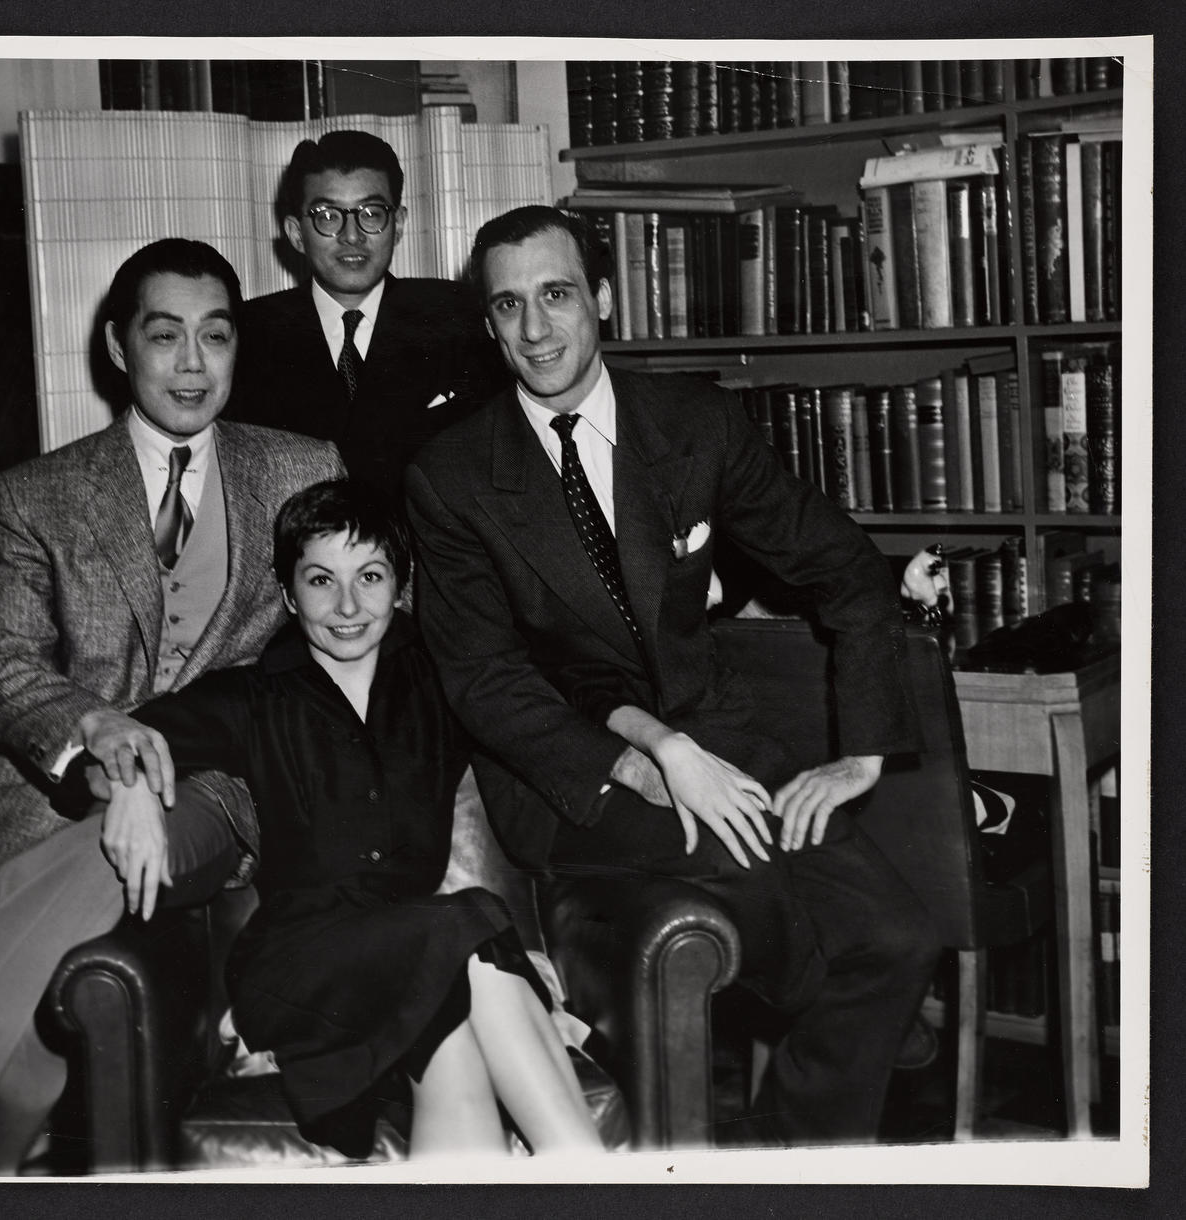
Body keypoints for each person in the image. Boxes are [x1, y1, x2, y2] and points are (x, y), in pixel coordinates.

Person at [0, 238, 343, 1175]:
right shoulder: (36, 494)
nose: (194, 364)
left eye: (216, 336)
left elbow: (358, 624)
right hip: (42, 803)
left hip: (220, 789)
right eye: (165, 336)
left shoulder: (300, 470)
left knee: (18, 974)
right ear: (118, 347)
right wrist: (96, 730)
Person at [404, 205, 942, 1146]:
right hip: (574, 778)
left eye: (558, 295)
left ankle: (787, 1172)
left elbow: (844, 567)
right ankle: (834, 1005)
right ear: (487, 325)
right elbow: (487, 681)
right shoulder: (450, 475)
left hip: (722, 739)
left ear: (603, 298)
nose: (536, 331)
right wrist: (648, 761)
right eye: (509, 307)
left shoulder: (695, 422)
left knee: (900, 936)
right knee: (823, 921)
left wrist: (864, 753)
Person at [98, 479, 603, 1159]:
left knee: (452, 1044)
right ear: (287, 594)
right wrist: (129, 778)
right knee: (471, 916)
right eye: (319, 580)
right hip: (299, 966)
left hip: (416, 957)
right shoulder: (252, 698)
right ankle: (590, 1178)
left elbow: (561, 700)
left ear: (402, 586)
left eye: (370, 577)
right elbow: (109, 747)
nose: (346, 606)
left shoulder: (443, 684)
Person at [230, 129, 505, 500]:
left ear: (400, 223)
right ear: (296, 233)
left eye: (371, 213)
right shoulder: (248, 333)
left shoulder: (461, 314)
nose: (352, 236)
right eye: (327, 216)